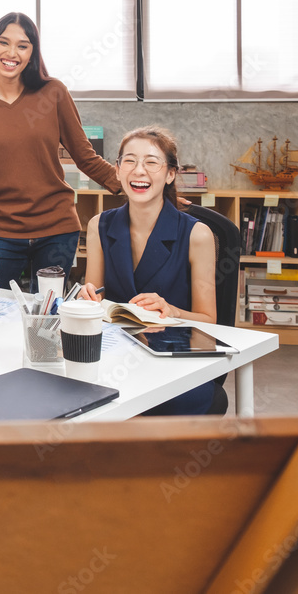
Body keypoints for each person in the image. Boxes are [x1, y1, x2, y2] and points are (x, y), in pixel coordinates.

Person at [0, 12, 120, 291]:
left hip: (57, 228)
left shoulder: (53, 93)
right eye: (3, 42)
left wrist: (148, 191)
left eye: (22, 45)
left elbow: (86, 158)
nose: (11, 53)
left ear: (32, 52)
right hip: (3, 232)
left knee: (46, 321)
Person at [80, 126, 217, 415]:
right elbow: (95, 300)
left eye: (151, 162)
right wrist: (86, 301)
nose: (138, 171)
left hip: (173, 359)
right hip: (115, 356)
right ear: (117, 170)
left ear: (170, 174)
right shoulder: (99, 226)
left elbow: (208, 321)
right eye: (129, 161)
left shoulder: (197, 234)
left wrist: (172, 310)